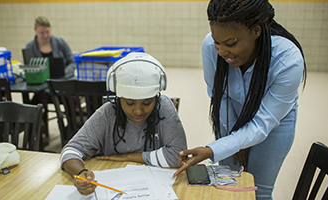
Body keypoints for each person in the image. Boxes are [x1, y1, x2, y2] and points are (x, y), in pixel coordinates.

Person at [173, 1, 306, 200]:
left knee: (258, 191)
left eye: (231, 43)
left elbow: (262, 124)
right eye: (218, 42)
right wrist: (236, 140)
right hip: (232, 118)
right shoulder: (210, 46)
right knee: (227, 187)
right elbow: (221, 97)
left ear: (256, 31)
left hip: (273, 124)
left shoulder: (287, 60)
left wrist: (212, 150)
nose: (222, 52)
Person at [60, 52, 187, 195]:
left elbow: (178, 156)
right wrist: (81, 173)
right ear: (119, 98)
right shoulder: (108, 113)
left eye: (147, 103)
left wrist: (127, 156)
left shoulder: (163, 107)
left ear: (156, 97)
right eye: (129, 103)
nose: (138, 111)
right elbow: (70, 150)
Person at [26, 16, 76, 135]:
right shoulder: (30, 46)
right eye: (41, 33)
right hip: (43, 87)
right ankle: (39, 126)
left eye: (47, 32)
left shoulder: (60, 42)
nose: (45, 35)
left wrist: (66, 71)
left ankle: (71, 126)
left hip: (61, 83)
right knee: (38, 100)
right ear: (35, 31)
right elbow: (29, 67)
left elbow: (72, 61)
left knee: (72, 99)